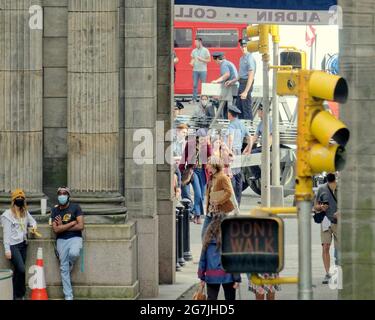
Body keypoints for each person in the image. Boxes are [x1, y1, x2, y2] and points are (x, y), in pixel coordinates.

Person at [1, 189, 39, 300]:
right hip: (13, 246)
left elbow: (33, 222)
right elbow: (6, 234)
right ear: (13, 200)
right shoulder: (7, 215)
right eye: (18, 198)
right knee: (21, 269)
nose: (20, 200)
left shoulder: (25, 212)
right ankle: (20, 293)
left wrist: (33, 227)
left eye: (22, 198)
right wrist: (7, 250)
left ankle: (14, 295)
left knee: (18, 271)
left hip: (23, 244)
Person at [198, 212, 241, 300]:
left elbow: (202, 260)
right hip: (228, 276)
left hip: (211, 275)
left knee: (211, 298)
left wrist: (201, 277)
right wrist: (237, 279)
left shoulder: (207, 241)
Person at [51, 187, 84, 300]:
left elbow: (81, 226)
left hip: (75, 238)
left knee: (74, 253)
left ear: (68, 195)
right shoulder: (55, 210)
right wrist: (71, 224)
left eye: (64, 193)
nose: (62, 195)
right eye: (60, 193)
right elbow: (56, 230)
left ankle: (70, 263)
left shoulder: (76, 207)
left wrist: (62, 227)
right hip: (61, 240)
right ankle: (68, 296)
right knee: (63, 269)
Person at [179, 129, 212, 224]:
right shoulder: (190, 144)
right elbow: (183, 158)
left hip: (203, 172)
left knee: (201, 196)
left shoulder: (206, 145)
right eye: (201, 138)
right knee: (197, 193)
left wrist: (208, 144)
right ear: (197, 137)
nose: (203, 140)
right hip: (193, 171)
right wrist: (180, 171)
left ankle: (195, 213)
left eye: (204, 138)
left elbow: (210, 155)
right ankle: (197, 216)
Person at [313, 172, 339, 284]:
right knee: (326, 247)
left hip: (339, 223)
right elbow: (315, 206)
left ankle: (339, 273)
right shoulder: (322, 189)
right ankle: (328, 273)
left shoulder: (342, 188)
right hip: (326, 222)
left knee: (339, 251)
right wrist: (321, 207)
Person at [201, 155, 235, 239]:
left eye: (208, 164)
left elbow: (229, 192)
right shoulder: (212, 177)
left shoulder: (223, 177)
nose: (207, 166)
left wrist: (218, 201)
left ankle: (219, 251)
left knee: (218, 237)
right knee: (205, 235)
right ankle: (210, 252)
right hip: (211, 212)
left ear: (213, 165)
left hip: (220, 212)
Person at [227, 105, 252, 207]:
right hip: (239, 151)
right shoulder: (242, 125)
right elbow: (250, 137)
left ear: (230, 114)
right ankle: (238, 202)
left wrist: (229, 151)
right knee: (238, 176)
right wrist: (248, 150)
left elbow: (230, 138)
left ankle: (232, 202)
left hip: (233, 151)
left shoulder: (231, 125)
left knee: (231, 175)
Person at [225, 39, 256, 120]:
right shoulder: (242, 58)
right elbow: (240, 75)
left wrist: (246, 91)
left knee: (246, 109)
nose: (243, 48)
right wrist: (231, 81)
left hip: (246, 84)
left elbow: (251, 76)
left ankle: (249, 129)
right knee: (239, 108)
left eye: (245, 46)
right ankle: (242, 127)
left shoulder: (250, 58)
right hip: (241, 83)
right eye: (242, 46)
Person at [247, 104, 272, 180]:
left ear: (262, 112)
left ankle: (259, 174)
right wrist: (248, 149)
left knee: (253, 155)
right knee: (250, 154)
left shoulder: (270, 122)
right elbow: (255, 137)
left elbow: (271, 137)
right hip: (263, 146)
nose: (257, 112)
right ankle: (257, 173)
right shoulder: (261, 123)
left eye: (258, 111)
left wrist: (266, 149)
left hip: (269, 146)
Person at [211, 52, 239, 119]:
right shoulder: (228, 63)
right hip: (234, 88)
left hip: (231, 89)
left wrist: (217, 81)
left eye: (214, 60)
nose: (215, 62)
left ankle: (227, 123)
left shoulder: (224, 64)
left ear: (217, 59)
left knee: (226, 109)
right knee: (230, 108)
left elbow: (226, 75)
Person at [190, 37, 211, 103]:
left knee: (204, 85)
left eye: (196, 42)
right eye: (194, 42)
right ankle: (194, 99)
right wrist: (191, 62)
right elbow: (193, 58)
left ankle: (204, 99)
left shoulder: (205, 50)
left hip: (203, 70)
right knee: (194, 85)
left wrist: (201, 59)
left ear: (200, 42)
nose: (195, 44)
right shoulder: (194, 51)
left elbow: (209, 60)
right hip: (195, 70)